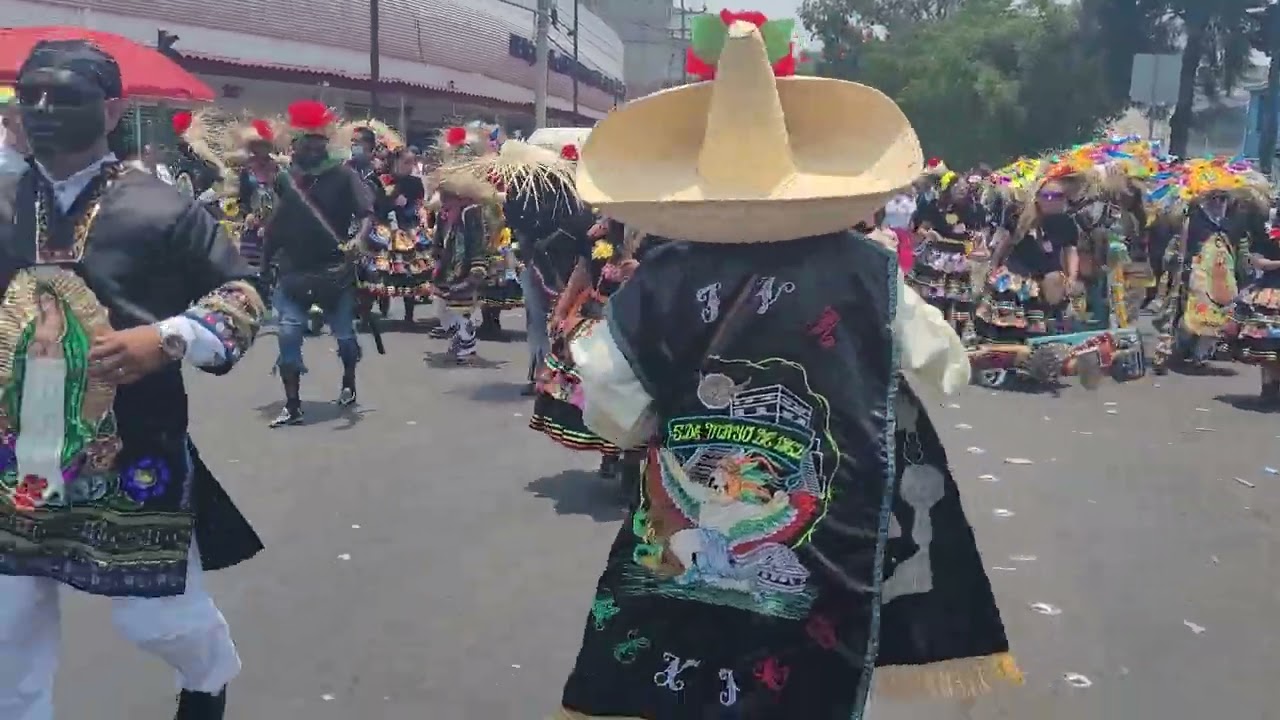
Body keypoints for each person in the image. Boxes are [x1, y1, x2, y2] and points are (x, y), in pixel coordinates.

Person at [551, 18, 1016, 719]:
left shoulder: (660, 278)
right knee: (822, 681)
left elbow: (610, 412)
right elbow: (945, 371)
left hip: (688, 530)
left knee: (676, 664)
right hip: (836, 535)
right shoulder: (873, 273)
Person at [0, 39, 265, 720]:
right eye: (30, 96)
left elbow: (241, 294)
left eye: (65, 96)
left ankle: (207, 678)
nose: (42, 110)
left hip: (131, 444)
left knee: (157, 622)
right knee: (7, 629)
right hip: (14, 452)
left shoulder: (162, 207)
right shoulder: (2, 198)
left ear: (113, 109)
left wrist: (167, 337)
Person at [262, 100, 372, 426]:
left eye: (317, 142)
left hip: (334, 272)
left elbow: (366, 213)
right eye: (306, 142)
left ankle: (349, 383)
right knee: (287, 334)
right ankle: (293, 404)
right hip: (293, 272)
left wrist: (358, 240)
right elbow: (274, 227)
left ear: (325, 144)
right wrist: (263, 267)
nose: (312, 148)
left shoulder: (343, 176)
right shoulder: (285, 180)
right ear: (295, 145)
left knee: (345, 337)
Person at [976, 171, 1081, 342]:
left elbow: (1071, 251)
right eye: (1046, 195)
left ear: (1064, 199)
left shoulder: (1067, 223)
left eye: (1057, 196)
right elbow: (1004, 246)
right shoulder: (1021, 217)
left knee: (1048, 301)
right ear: (1038, 197)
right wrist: (992, 270)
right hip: (1016, 276)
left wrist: (1072, 277)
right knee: (1008, 319)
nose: (1051, 200)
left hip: (1045, 278)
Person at [1233, 225, 1280, 402]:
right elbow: (1258, 261)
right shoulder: (1269, 237)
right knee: (1268, 346)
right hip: (1271, 294)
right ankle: (1269, 387)